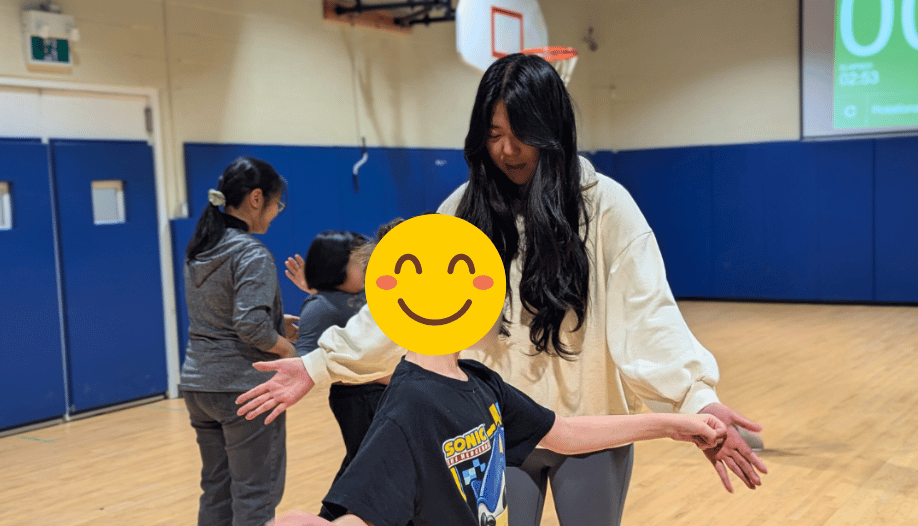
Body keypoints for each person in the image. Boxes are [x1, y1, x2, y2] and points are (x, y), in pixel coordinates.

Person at [237, 54, 767, 526]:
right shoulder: (462, 211)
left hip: (592, 428)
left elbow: (649, 315)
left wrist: (697, 397)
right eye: (493, 134)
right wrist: (317, 363)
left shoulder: (607, 206)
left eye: (521, 133)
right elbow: (409, 308)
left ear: (552, 129)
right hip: (498, 428)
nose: (507, 150)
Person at [268, 219, 728, 526]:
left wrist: (674, 424)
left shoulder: (478, 382)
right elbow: (368, 511)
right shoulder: (409, 410)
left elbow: (565, 432)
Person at [179, 156, 296, 526]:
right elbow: (251, 328)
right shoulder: (250, 252)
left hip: (200, 385)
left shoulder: (201, 247)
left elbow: (223, 314)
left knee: (216, 489)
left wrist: (276, 322)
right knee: (255, 497)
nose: (277, 213)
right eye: (278, 205)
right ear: (257, 198)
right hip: (243, 389)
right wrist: (288, 350)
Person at [287, 228, 393, 520]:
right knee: (364, 461)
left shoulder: (357, 297)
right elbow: (305, 358)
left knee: (365, 459)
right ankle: (328, 516)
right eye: (360, 262)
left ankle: (332, 515)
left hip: (378, 392)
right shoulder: (318, 306)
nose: (367, 267)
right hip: (355, 397)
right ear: (337, 266)